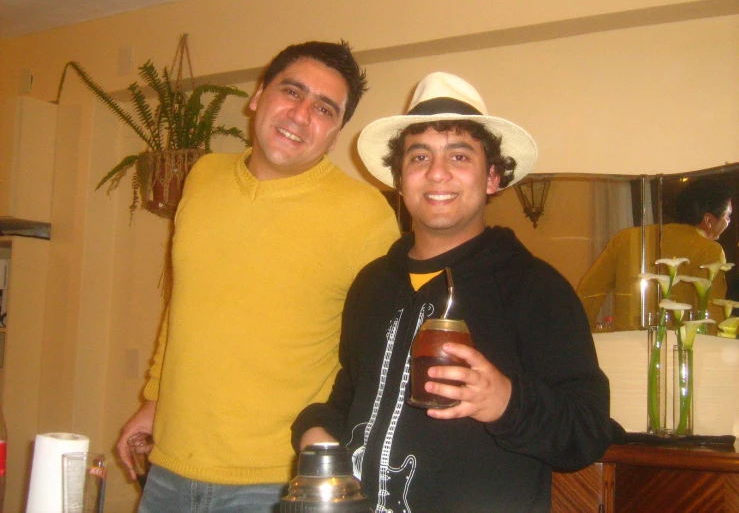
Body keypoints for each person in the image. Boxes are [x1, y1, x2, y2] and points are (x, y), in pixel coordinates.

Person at [292, 72, 611, 512]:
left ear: (492, 178)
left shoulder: (537, 288)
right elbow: (352, 395)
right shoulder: (371, 285)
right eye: (419, 157)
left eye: (459, 156)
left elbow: (588, 432)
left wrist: (505, 401)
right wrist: (315, 430)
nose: (437, 173)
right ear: (400, 180)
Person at [115, 41, 400, 513]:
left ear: (335, 134)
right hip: (167, 469)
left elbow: (382, 354)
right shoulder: (203, 176)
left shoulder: (365, 216)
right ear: (258, 95)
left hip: (278, 482)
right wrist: (153, 400)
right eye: (292, 91)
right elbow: (185, 304)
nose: (300, 114)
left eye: (324, 109)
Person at [577, 178, 734, 330]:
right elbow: (714, 316)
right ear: (708, 220)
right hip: (678, 349)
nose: (728, 222)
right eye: (727, 216)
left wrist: (585, 339)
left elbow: (588, 293)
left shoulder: (625, 238)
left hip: (624, 346)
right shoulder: (710, 250)